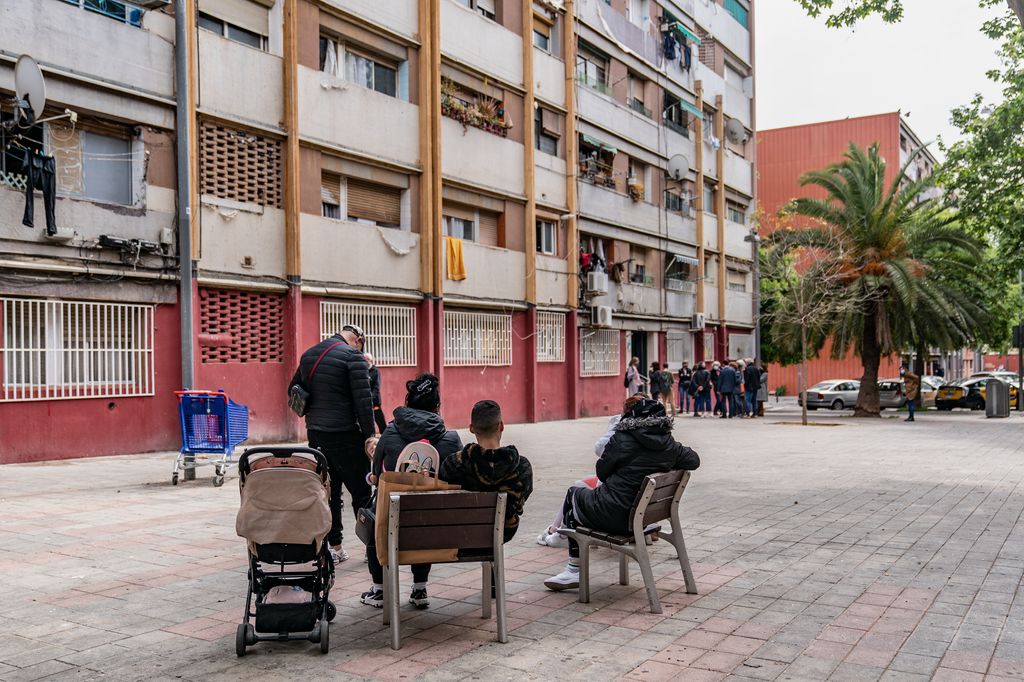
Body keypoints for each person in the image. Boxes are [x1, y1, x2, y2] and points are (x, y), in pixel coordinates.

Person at [544, 398, 700, 591]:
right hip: (644, 519)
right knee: (580, 498)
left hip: (615, 514)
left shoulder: (622, 438)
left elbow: (602, 472)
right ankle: (563, 540)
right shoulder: (670, 445)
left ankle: (573, 568)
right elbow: (694, 460)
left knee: (573, 494)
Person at [361, 373, 463, 609]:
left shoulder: (388, 433)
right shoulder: (451, 439)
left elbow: (376, 474)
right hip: (435, 528)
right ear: (437, 406)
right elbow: (458, 477)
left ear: (408, 403)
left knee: (375, 515)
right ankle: (419, 588)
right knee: (424, 510)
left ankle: (379, 590)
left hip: (391, 525)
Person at [290, 324, 374, 565]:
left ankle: (335, 547)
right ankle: (371, 547)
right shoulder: (353, 357)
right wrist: (370, 435)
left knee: (329, 493)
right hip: (346, 436)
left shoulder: (309, 354)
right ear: (358, 339)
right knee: (361, 492)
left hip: (316, 435)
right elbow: (364, 401)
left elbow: (293, 390)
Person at [439, 400, 533, 544]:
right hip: (503, 531)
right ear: (501, 426)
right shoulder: (522, 467)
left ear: (471, 428)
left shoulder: (453, 465)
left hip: (462, 531)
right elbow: (520, 501)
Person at [366, 352, 388, 434]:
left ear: (371, 361)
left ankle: (385, 435)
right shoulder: (363, 371)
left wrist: (370, 397)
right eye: (364, 360)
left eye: (367, 360)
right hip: (365, 402)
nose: (366, 361)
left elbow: (376, 387)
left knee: (380, 421)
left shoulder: (375, 371)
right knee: (368, 422)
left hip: (374, 402)